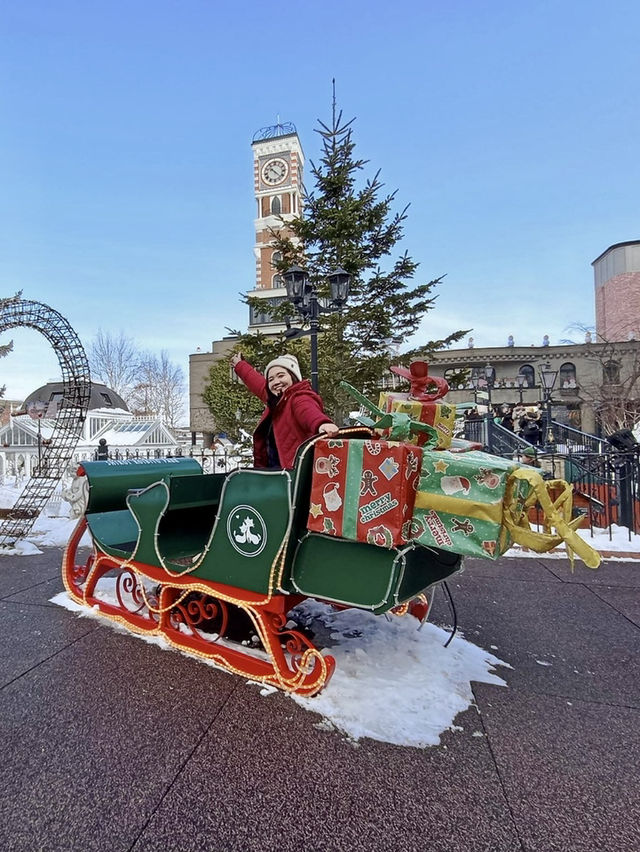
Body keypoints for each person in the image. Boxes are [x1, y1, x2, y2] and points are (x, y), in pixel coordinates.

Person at [231, 352, 339, 469]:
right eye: (271, 379)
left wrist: (321, 423)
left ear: (293, 376)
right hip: (274, 472)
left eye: (281, 376)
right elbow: (256, 381)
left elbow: (307, 411)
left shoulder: (299, 397)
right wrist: (240, 365)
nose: (276, 382)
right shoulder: (276, 401)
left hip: (294, 475)